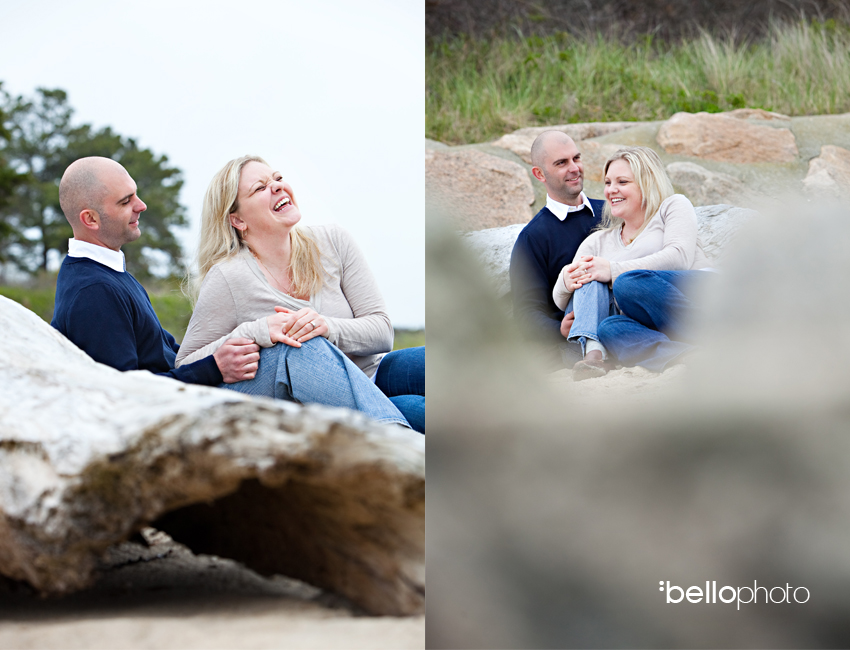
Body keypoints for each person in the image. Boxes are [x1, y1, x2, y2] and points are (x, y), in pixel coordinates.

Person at [51, 156, 409, 429]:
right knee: (297, 348)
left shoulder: (109, 275)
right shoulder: (92, 291)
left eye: (136, 194)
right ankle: (401, 444)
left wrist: (220, 357)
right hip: (183, 420)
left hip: (360, 374)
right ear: (91, 219)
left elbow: (162, 357)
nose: (141, 206)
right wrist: (215, 364)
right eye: (126, 201)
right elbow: (125, 398)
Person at [175, 155, 425, 433]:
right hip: (320, 407)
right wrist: (256, 330)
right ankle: (392, 440)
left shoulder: (334, 240)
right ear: (238, 220)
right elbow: (186, 364)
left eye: (278, 179)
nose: (277, 187)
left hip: (373, 375)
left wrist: (327, 327)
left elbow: (381, 332)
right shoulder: (228, 276)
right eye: (260, 188)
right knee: (418, 412)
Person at [551, 146, 711, 380]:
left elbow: (679, 257)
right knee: (610, 328)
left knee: (629, 283)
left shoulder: (672, 206)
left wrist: (612, 270)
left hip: (700, 296)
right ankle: (688, 354)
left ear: (647, 183)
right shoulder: (596, 241)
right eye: (607, 183)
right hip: (652, 321)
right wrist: (565, 281)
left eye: (622, 182)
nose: (611, 190)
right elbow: (568, 298)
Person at [509, 131, 604, 368]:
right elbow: (526, 311)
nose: (574, 168)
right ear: (539, 174)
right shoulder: (532, 237)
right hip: (574, 343)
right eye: (561, 163)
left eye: (576, 158)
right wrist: (559, 329)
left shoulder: (611, 213)